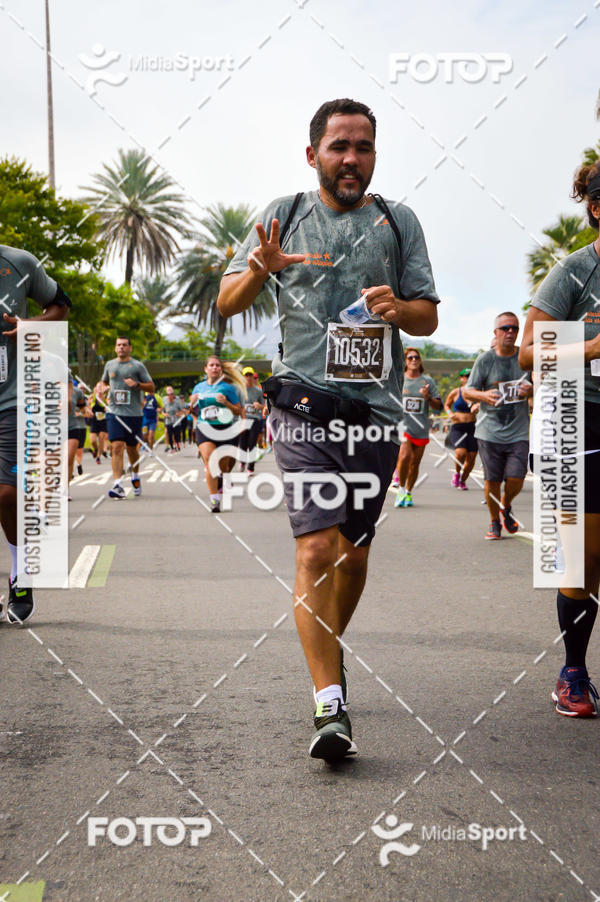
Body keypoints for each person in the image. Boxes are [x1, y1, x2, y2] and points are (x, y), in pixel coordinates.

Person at [217, 98, 439, 760]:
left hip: (372, 415)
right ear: (312, 153)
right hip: (301, 409)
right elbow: (227, 301)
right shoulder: (280, 216)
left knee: (353, 553)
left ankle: (327, 651)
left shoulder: (398, 223)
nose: (352, 158)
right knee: (315, 550)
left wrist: (401, 309)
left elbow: (427, 316)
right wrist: (262, 266)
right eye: (339, 146)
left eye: (363, 147)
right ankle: (329, 703)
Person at [519, 156, 600, 717]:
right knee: (583, 557)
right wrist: (590, 349)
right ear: (596, 208)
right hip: (583, 415)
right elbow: (528, 353)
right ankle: (573, 671)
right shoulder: (574, 271)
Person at [0, 244, 71, 625]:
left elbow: (60, 304)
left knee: (6, 494)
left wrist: (31, 326)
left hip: (10, 399)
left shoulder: (19, 263)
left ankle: (21, 573)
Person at [463, 313, 533, 540]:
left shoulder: (526, 357)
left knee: (516, 477)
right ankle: (494, 522)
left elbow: (543, 382)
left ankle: (506, 504)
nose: (510, 332)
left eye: (514, 328)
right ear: (496, 332)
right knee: (492, 481)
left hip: (518, 431)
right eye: (505, 328)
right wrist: (483, 396)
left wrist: (531, 389)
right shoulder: (485, 360)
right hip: (489, 431)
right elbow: (467, 390)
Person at [99, 337, 155, 499]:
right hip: (114, 412)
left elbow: (151, 386)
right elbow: (103, 382)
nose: (121, 347)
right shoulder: (110, 365)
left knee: (132, 448)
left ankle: (135, 476)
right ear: (115, 348)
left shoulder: (138, 366)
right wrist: (101, 388)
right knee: (116, 446)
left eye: (124, 345)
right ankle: (117, 484)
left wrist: (137, 385)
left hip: (133, 414)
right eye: (118, 345)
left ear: (130, 348)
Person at [191, 356, 243, 512]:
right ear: (206, 369)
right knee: (210, 461)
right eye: (211, 365)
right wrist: (191, 402)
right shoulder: (198, 388)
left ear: (221, 369)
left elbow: (238, 410)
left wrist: (226, 403)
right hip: (205, 427)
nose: (214, 368)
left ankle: (222, 479)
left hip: (225, 429)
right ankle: (214, 500)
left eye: (217, 366)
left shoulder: (227, 388)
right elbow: (191, 409)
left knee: (223, 465)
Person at [394, 347, 442, 508]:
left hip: (421, 429)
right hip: (403, 426)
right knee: (404, 456)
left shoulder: (427, 381)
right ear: (405, 361)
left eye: (416, 358)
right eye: (410, 358)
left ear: (420, 361)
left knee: (415, 463)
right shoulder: (399, 379)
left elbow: (438, 406)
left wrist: (427, 397)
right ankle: (400, 489)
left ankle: (408, 491)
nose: (414, 360)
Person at [444, 368, 478, 490]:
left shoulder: (477, 392)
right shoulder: (455, 392)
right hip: (458, 427)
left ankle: (463, 480)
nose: (467, 378)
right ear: (461, 378)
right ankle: (457, 473)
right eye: (465, 376)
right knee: (460, 453)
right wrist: (449, 413)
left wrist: (478, 405)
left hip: (472, 427)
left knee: (472, 456)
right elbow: (447, 404)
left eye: (470, 376)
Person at [239, 366, 266, 474]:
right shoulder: (239, 390)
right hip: (242, 420)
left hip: (255, 420)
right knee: (242, 443)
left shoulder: (258, 391)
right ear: (243, 377)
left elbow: (265, 406)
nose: (248, 377)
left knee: (252, 443)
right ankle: (242, 461)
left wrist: (259, 406)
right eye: (246, 375)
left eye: (250, 375)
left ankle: (251, 467)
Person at [67, 375, 89, 488]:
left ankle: (65, 489)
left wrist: (83, 412)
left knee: (69, 457)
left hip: (73, 426)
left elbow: (83, 407)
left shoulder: (77, 392)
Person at [88, 383, 109, 464]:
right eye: (98, 387)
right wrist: (89, 409)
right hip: (94, 420)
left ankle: (98, 457)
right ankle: (96, 450)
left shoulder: (105, 398)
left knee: (101, 439)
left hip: (103, 421)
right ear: (95, 388)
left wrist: (107, 407)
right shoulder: (92, 397)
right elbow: (89, 407)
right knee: (93, 440)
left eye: (101, 387)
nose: (100, 388)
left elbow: (108, 406)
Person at [161, 385, 187, 453]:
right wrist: (164, 414)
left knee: (176, 434)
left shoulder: (178, 400)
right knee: (169, 433)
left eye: (172, 394)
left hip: (176, 421)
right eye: (168, 394)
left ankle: (177, 445)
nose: (170, 395)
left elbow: (183, 410)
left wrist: (179, 413)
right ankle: (170, 447)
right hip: (168, 420)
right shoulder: (164, 399)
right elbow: (162, 410)